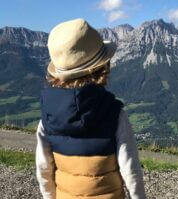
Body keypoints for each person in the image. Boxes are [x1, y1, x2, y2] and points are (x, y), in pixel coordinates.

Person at [35, 18, 147, 199]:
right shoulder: (115, 113)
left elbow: (44, 169)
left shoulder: (47, 118)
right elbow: (130, 167)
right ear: (102, 67)